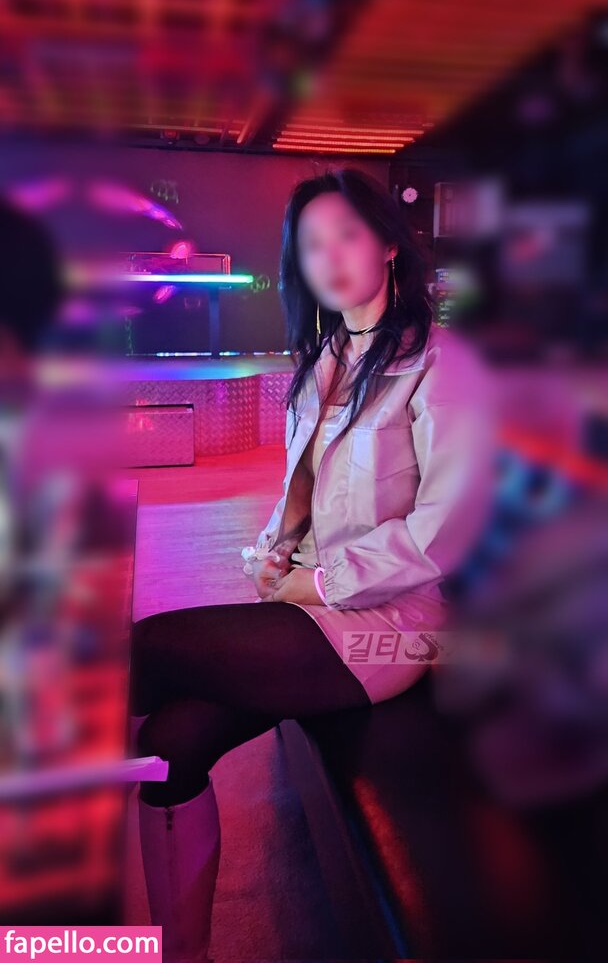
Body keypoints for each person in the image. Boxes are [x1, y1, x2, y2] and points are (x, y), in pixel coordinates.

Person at [129, 168, 497, 963]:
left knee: (145, 648)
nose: (329, 258)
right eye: (311, 244)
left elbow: (447, 531)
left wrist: (323, 582)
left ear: (389, 247)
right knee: (170, 744)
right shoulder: (327, 355)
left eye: (347, 236)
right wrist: (275, 549)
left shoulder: (444, 366)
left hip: (396, 624)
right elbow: (305, 489)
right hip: (313, 604)